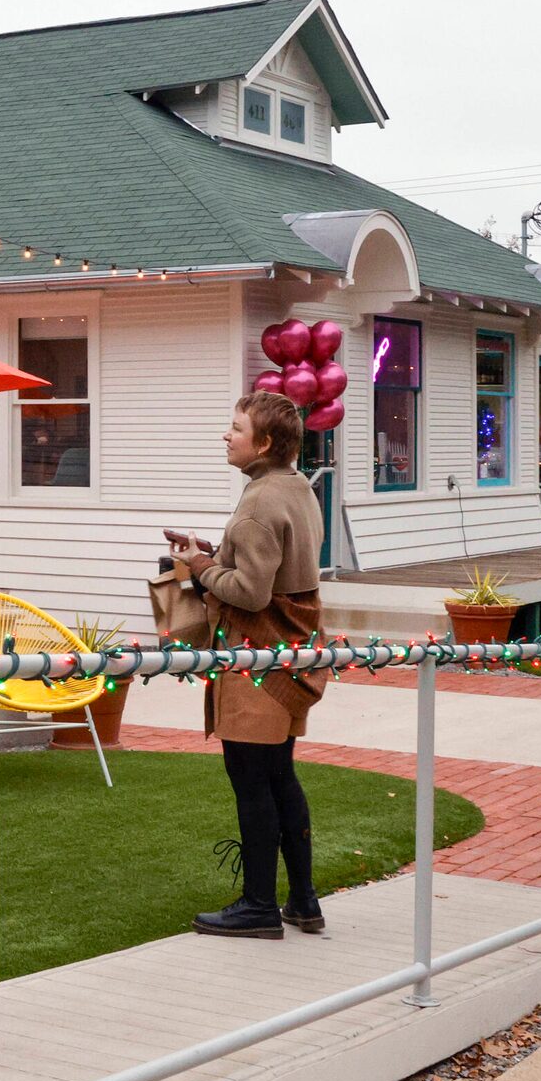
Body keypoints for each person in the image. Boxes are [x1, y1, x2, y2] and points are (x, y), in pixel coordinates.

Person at [170, 391, 327, 939]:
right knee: (281, 775)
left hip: (256, 659)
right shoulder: (298, 486)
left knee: (251, 782)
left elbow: (253, 593)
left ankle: (259, 905)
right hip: (295, 654)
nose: (226, 435)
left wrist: (198, 567)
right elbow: (278, 570)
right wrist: (215, 554)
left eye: (235, 428)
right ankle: (303, 900)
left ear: (263, 442)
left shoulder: (258, 502)